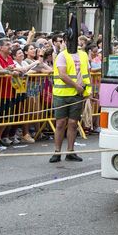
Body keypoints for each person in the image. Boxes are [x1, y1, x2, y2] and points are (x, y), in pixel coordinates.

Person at [51, 34, 91, 162]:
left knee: (73, 123)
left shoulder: (83, 55)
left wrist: (87, 91)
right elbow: (62, 74)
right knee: (60, 123)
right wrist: (77, 86)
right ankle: (57, 152)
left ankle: (70, 151)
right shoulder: (62, 55)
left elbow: (87, 73)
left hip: (77, 95)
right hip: (61, 94)